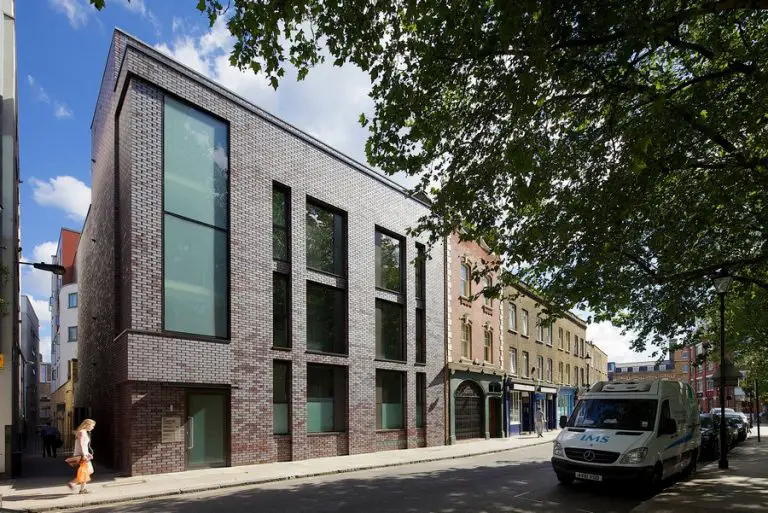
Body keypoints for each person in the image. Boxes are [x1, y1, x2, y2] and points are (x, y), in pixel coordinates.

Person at [67, 419, 96, 494]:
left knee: (87, 471)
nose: (93, 428)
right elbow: (82, 444)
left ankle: (81, 488)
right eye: (92, 426)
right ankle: (74, 483)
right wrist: (84, 455)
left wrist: (87, 453)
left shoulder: (83, 432)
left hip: (83, 454)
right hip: (81, 455)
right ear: (87, 424)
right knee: (88, 470)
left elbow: (83, 445)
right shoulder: (82, 432)